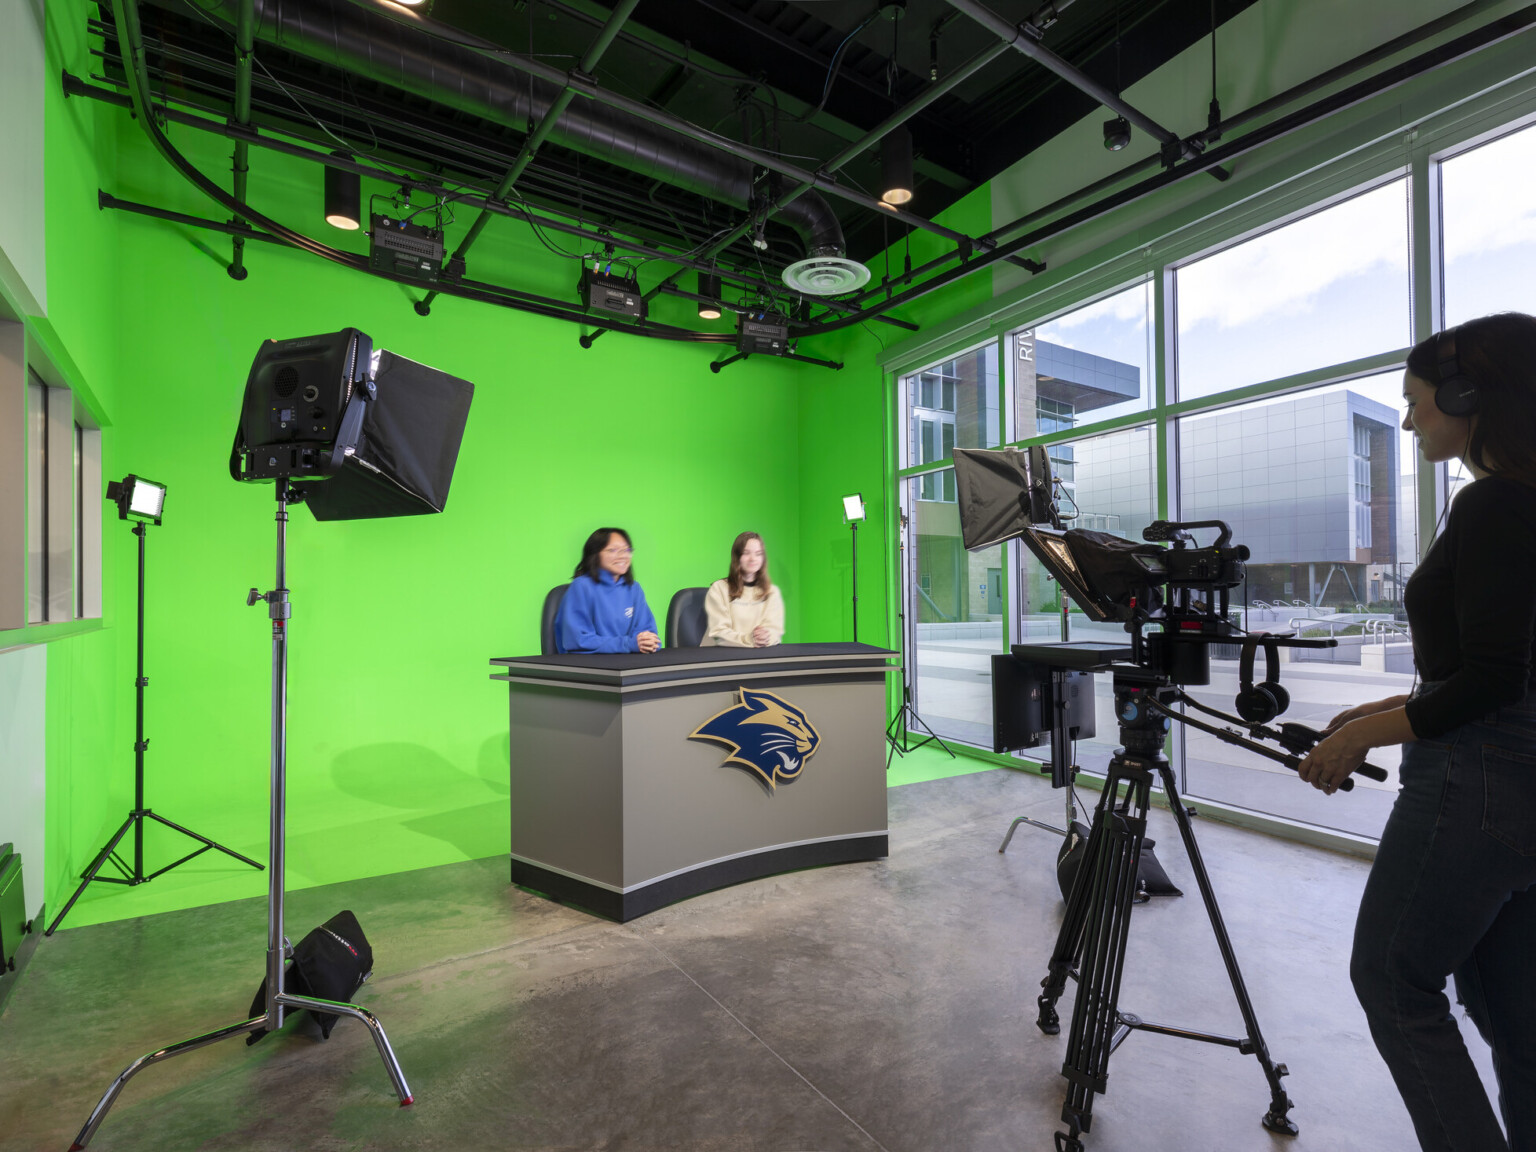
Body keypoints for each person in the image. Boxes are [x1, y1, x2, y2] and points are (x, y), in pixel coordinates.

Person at [1298, 313, 1536, 1152]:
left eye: (1416, 401)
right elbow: (1492, 664)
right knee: (1514, 1010)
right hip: (1522, 791)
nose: (1406, 421)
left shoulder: (1496, 503)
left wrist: (1366, 738)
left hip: (1476, 786)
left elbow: (1491, 681)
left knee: (1393, 980)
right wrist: (1368, 715)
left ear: (1470, 395)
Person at [553, 527, 660, 654]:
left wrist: (647, 642)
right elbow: (577, 640)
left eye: (627, 550)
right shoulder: (581, 586)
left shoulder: (634, 588)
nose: (623, 556)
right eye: (612, 550)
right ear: (595, 554)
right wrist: (627, 644)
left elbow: (647, 631)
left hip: (628, 664)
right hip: (590, 667)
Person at [703, 531, 785, 648]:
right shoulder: (719, 588)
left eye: (758, 554)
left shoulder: (772, 591)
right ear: (737, 556)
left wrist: (766, 638)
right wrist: (749, 639)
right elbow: (719, 633)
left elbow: (775, 630)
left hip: (758, 655)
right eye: (746, 553)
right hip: (719, 657)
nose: (753, 559)